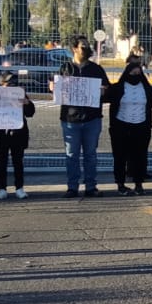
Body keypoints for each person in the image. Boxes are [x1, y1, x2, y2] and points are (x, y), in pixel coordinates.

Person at [55, 37, 110, 198]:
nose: (85, 49)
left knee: (90, 155)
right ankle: (72, 187)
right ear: (74, 49)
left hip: (92, 118)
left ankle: (90, 186)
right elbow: (58, 89)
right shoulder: (65, 68)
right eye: (82, 46)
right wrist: (54, 87)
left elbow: (107, 89)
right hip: (70, 119)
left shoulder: (96, 69)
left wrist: (103, 91)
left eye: (87, 46)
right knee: (71, 155)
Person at [108, 51, 152, 195]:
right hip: (120, 126)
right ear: (127, 72)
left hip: (141, 126)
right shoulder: (118, 87)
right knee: (120, 157)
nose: (135, 75)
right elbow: (105, 96)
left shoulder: (145, 87)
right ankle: (120, 184)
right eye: (133, 72)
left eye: (138, 73)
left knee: (140, 156)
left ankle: (139, 184)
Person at [0, 66, 35, 199]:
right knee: (1, 162)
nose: (11, 85)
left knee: (18, 161)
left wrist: (27, 103)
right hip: (1, 133)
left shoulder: (20, 94)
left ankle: (19, 188)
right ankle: (2, 188)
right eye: (8, 83)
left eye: (14, 83)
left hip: (18, 132)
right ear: (1, 83)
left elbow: (30, 113)